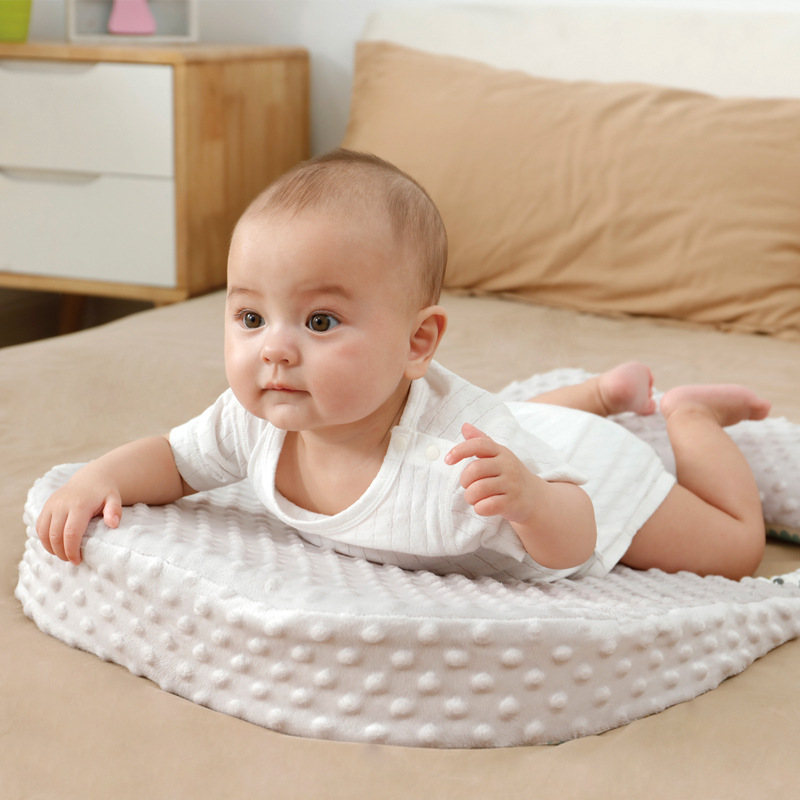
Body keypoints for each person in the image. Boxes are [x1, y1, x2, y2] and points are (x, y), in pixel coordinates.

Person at [36, 149, 770, 582]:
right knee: (524, 421)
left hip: (588, 475)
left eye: (320, 321)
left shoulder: (463, 449)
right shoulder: (257, 418)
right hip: (529, 430)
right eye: (251, 318)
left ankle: (687, 414)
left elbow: (575, 537)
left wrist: (532, 502)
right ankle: (602, 392)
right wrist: (98, 478)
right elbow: (174, 460)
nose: (274, 349)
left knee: (736, 547)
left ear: (418, 344)